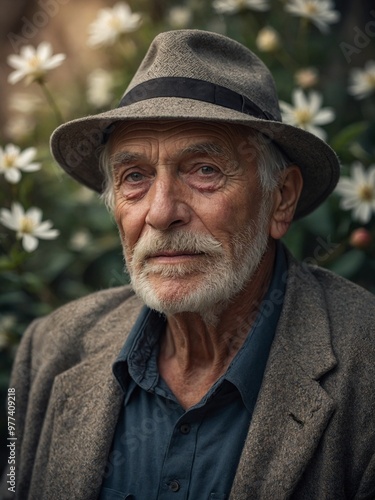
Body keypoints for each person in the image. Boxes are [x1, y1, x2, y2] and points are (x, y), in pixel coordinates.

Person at [2, 29, 375, 500]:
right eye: (134, 177)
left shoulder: (366, 369)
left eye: (204, 170)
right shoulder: (50, 349)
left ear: (280, 199)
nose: (161, 213)